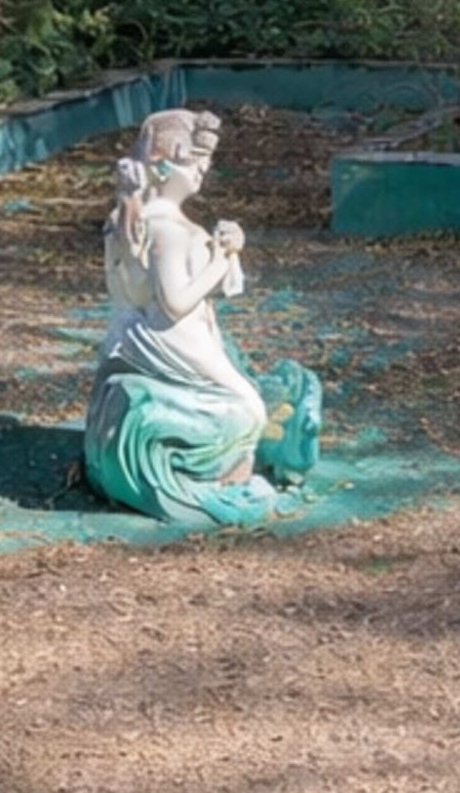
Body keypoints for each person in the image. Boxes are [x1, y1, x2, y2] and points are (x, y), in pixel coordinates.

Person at [85, 110, 322, 526]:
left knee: (248, 400)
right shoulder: (169, 230)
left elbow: (132, 292)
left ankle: (204, 461)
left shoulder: (134, 220)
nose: (202, 173)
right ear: (162, 164)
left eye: (205, 165)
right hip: (176, 337)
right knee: (249, 411)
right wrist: (225, 256)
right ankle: (212, 472)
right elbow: (175, 303)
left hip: (145, 337)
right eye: (195, 164)